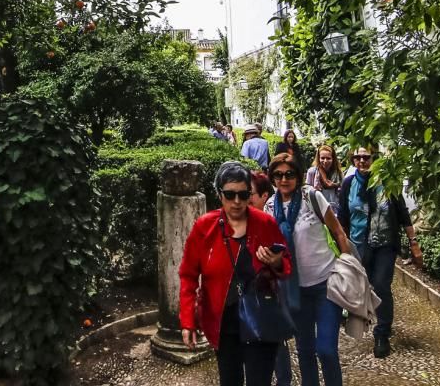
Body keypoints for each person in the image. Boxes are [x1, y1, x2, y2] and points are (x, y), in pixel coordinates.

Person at [179, 161, 292, 386]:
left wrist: (277, 262)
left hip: (261, 319)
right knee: (229, 380)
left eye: (243, 194)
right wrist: (188, 321)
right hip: (224, 323)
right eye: (230, 195)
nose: (237, 201)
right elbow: (188, 275)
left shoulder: (265, 223)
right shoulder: (205, 227)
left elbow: (286, 264)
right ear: (220, 194)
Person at [266, 152, 355, 386]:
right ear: (272, 177)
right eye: (278, 174)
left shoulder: (311, 197)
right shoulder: (268, 207)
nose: (284, 180)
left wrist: (347, 266)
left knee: (325, 349)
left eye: (290, 174)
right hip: (295, 291)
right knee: (304, 351)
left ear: (299, 174)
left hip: (325, 285)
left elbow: (337, 231)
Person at [337, 146, 422, 359]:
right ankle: (360, 318)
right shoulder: (349, 184)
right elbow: (343, 217)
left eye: (366, 157)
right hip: (359, 244)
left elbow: (403, 215)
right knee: (362, 285)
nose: (362, 161)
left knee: (382, 285)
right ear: (353, 160)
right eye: (358, 157)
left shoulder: (387, 183)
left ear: (374, 158)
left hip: (385, 243)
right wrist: (341, 248)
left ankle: (382, 333)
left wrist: (414, 243)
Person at [306, 143, 343, 212]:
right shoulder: (312, 172)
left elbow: (342, 193)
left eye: (328, 158)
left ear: (333, 159)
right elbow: (307, 192)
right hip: (317, 210)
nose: (325, 161)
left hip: (335, 210)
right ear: (318, 158)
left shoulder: (338, 173)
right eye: (322, 158)